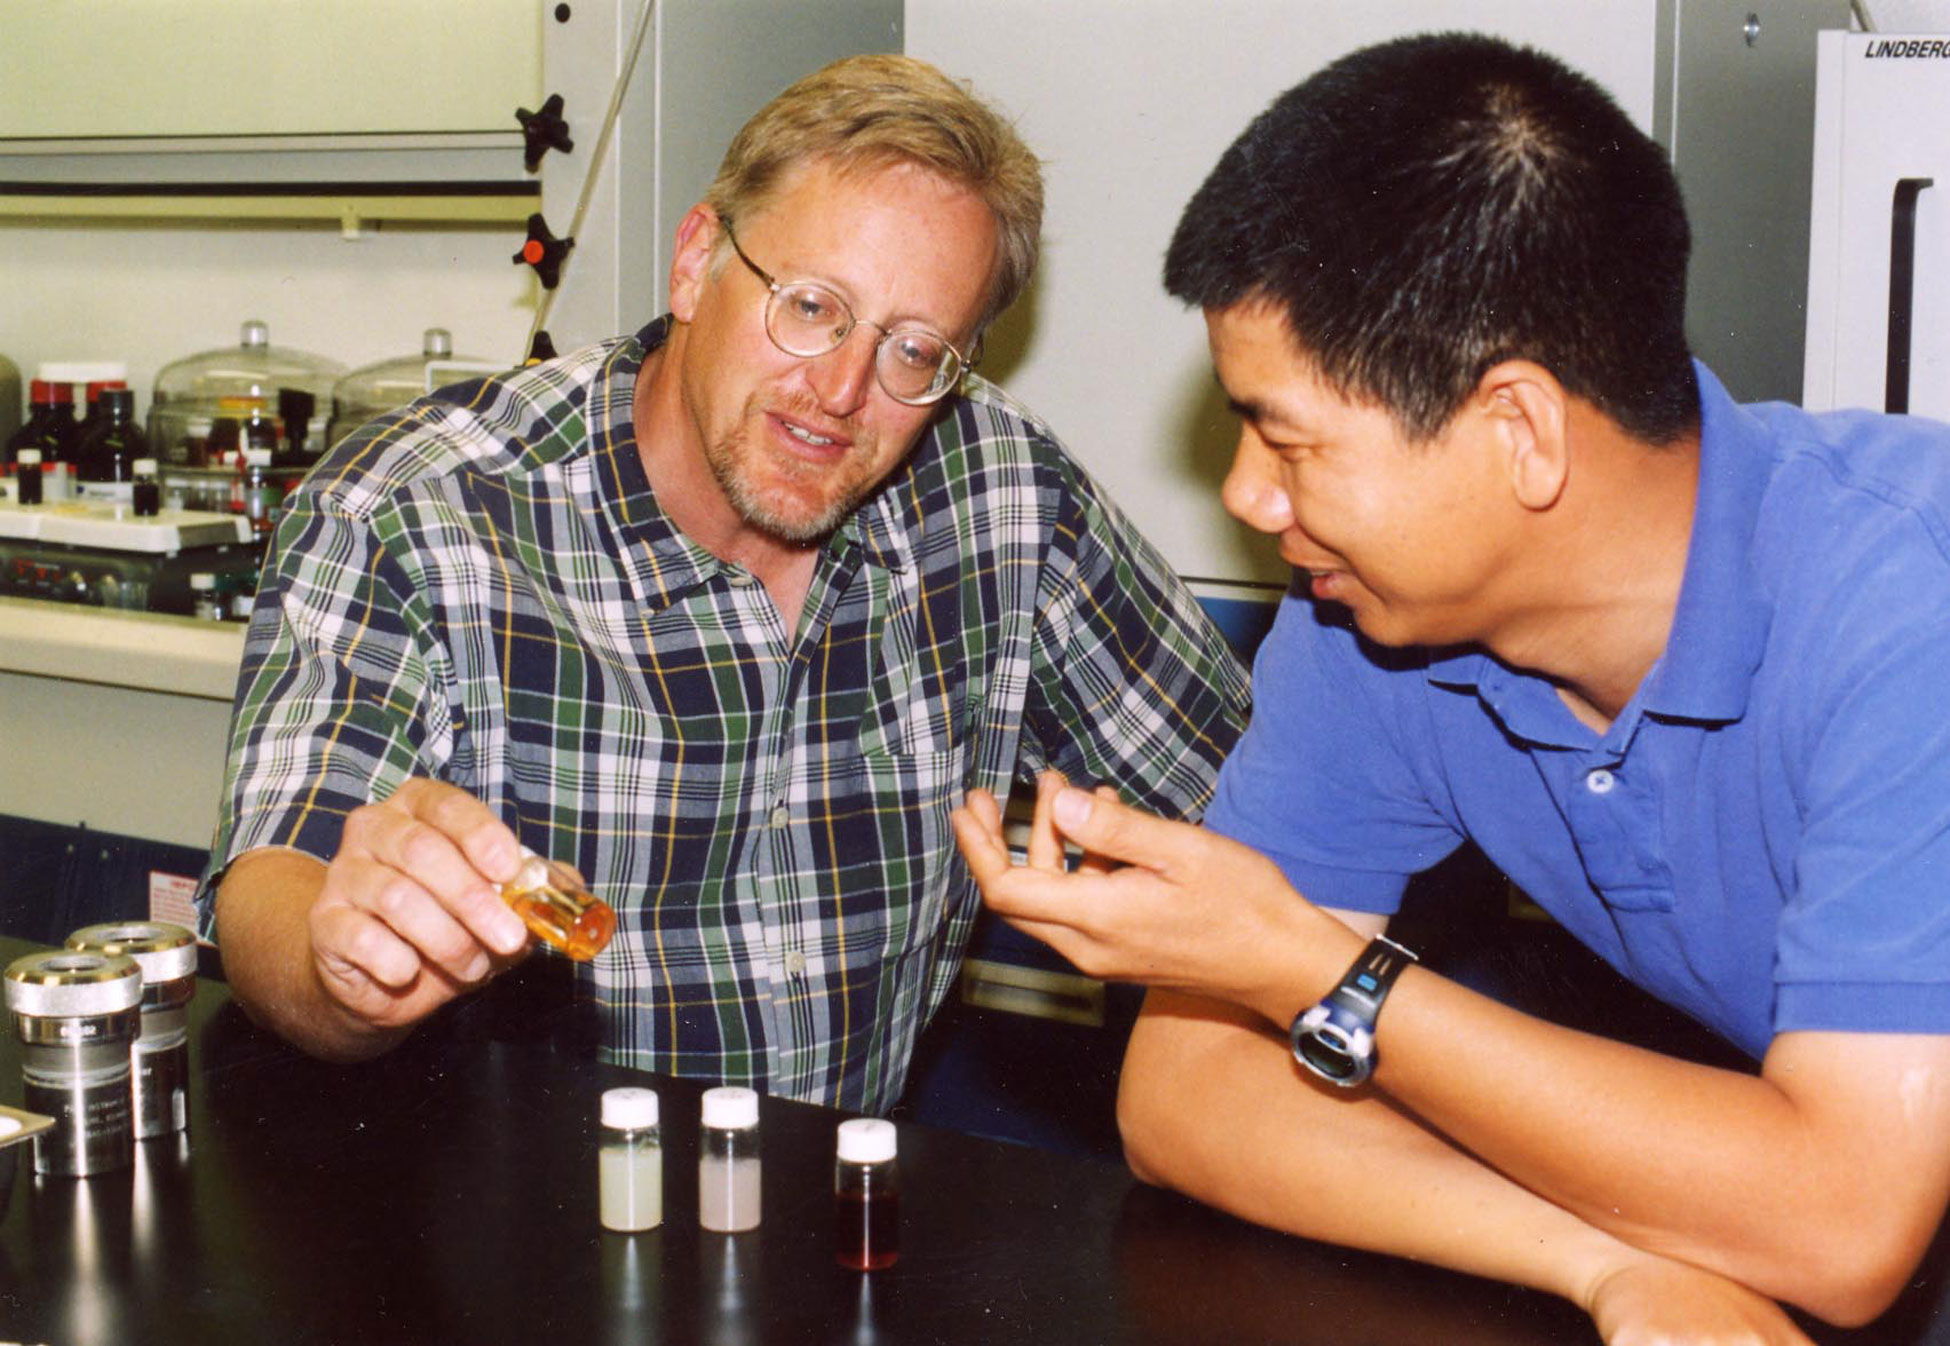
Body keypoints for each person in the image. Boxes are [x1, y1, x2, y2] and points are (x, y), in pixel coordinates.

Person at [952, 32, 1950, 1346]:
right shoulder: (1375, 620)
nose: (1249, 494)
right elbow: (1185, 1092)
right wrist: (1603, 1261)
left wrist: (1315, 965)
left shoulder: (1903, 604)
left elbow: (1839, 1223)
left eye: (1287, 436)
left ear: (1519, 431)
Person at [196, 54, 1249, 1114]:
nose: (837, 391)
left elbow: (1255, 814)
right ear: (696, 262)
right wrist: (349, 963)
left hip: (839, 1223)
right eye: (809, 305)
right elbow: (275, 880)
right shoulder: (421, 509)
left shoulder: (1005, 497)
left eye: (914, 349)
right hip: (506, 1233)